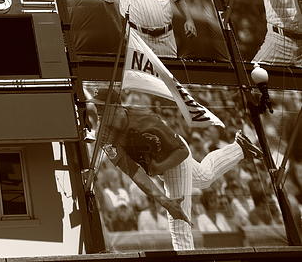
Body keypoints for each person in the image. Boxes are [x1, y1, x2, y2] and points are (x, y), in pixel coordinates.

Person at [93, 87, 263, 250]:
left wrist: (160, 168)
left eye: (102, 107)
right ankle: (240, 147)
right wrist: (163, 200)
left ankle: (186, 256)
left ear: (116, 106)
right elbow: (134, 172)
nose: (98, 112)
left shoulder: (146, 119)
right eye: (96, 107)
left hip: (173, 156)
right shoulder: (104, 134)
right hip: (160, 162)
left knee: (178, 220)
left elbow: (181, 151)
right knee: (205, 177)